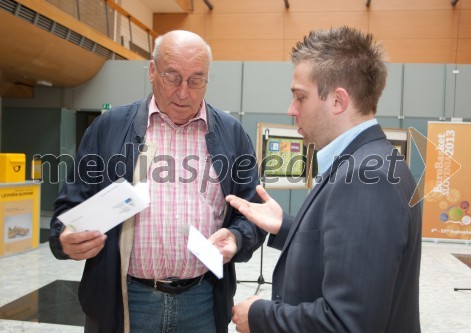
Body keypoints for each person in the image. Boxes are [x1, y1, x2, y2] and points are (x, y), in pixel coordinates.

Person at [49, 30, 266, 333]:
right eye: (172, 77)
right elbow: (67, 210)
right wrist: (65, 239)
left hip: (203, 301)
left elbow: (253, 212)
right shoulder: (108, 128)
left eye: (196, 80)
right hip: (126, 301)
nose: (184, 92)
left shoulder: (231, 134)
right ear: (152, 71)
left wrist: (237, 237)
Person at [227, 26, 422, 333]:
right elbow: (348, 250)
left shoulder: (365, 178)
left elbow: (347, 323)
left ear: (337, 101)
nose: (291, 110)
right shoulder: (366, 161)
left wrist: (260, 316)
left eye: (299, 97)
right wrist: (286, 226)